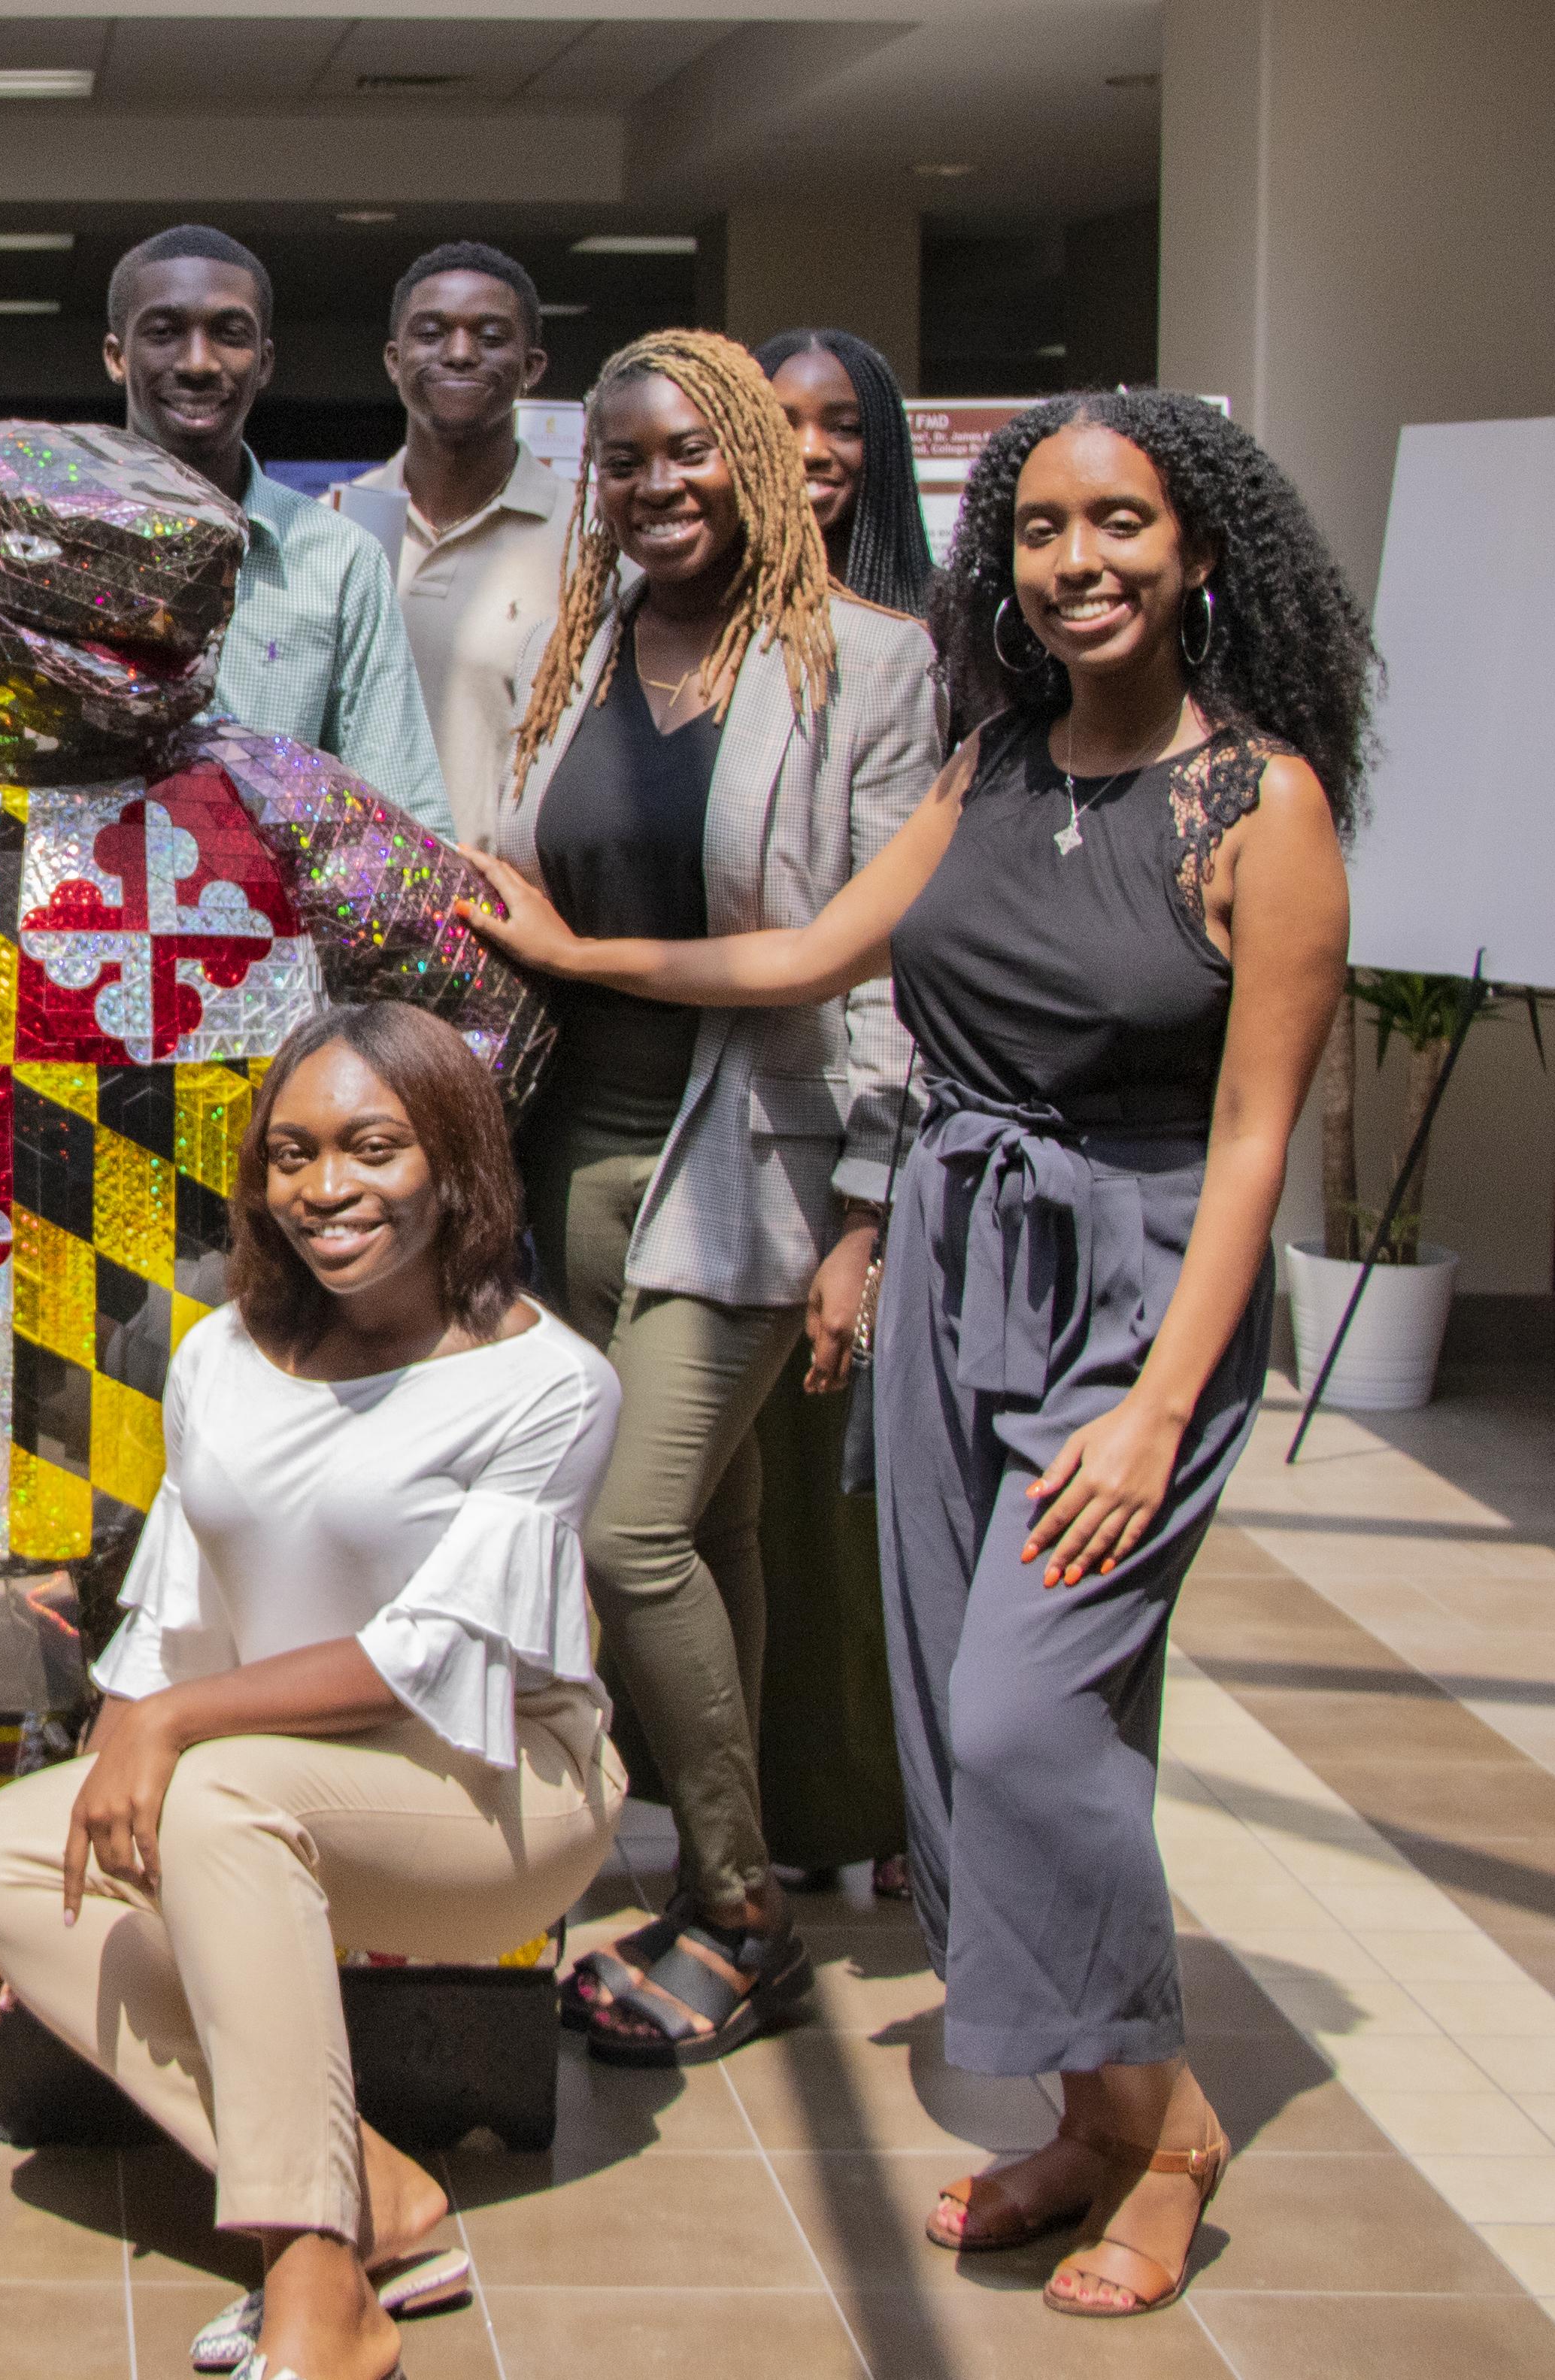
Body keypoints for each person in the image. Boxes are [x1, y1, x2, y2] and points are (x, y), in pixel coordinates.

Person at [468, 387, 1366, 2318]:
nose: (1076, 564)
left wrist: (1151, 1406)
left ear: (1196, 550)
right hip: (961, 1253)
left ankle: (1175, 2121)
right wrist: (580, 956)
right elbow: (804, 957)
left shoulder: (1260, 805)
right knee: (961, 1724)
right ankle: (1088, 2108)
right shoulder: (988, 759)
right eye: (1039, 530)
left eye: (1117, 525)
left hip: (1132, 1282)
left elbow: (1249, 1149)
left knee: (1023, 1718)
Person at [0, 1002, 623, 2380]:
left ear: (454, 1159)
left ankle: (317, 2290)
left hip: (496, 1789)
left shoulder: (549, 1385)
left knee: (215, 1802)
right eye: (292, 1155)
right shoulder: (223, 1354)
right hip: (261, 1774)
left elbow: (425, 1658)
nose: (325, 1191)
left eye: (371, 1148)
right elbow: (177, 1619)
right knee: (3, 1861)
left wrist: (178, 1731)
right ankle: (380, 2199)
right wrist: (128, 1744)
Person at [486, 329, 935, 2065]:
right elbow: (522, 886)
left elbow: (887, 973)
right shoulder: (578, 650)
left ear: (748, 454)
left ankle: (741, 1906)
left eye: (687, 452)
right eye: (622, 460)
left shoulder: (867, 668)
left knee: (630, 1530)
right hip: (569, 1157)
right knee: (718, 1527)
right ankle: (699, 1872)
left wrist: (869, 1214)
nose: (655, 486)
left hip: (753, 1164)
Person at [0, 226, 451, 833]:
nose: (199, 362)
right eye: (165, 332)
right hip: (32, 910)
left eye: (229, 335)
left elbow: (406, 817)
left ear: (263, 363)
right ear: (117, 356)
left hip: (265, 933)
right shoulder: (3, 527)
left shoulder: (338, 559)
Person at [749, 323, 939, 1899]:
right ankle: (753, 1812)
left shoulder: (906, 651)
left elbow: (893, 960)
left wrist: (870, 1202)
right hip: (687, 1123)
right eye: (779, 419)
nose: (811, 451)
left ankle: (861, 1805)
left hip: (839, 1126)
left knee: (834, 1509)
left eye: (840, 424)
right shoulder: (649, 635)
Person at [350, 241, 570, 847]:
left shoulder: (595, 540)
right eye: (432, 332)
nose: (460, 352)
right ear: (395, 360)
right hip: (350, 908)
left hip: (518, 917)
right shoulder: (332, 530)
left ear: (533, 366)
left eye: (491, 336)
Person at [756, 329, 937, 615]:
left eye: (845, 428)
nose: (809, 451)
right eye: (779, 427)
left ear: (885, 447)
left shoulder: (953, 616)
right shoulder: (698, 617)